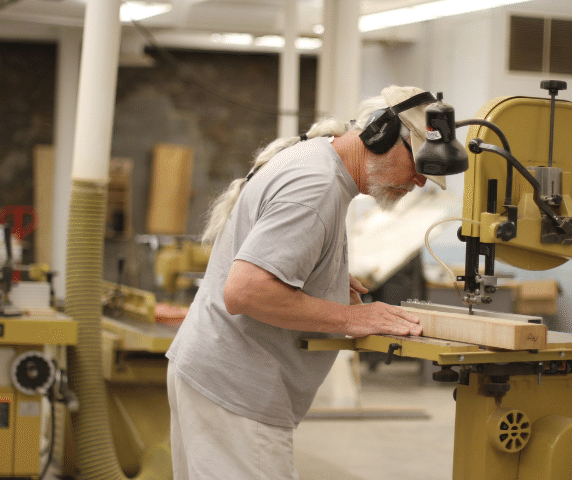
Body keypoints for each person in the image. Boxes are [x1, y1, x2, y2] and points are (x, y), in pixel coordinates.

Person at [166, 85, 447, 479]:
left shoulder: (315, 161)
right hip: (236, 390)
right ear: (381, 135)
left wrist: (320, 273)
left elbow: (261, 257)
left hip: (217, 379)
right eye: (417, 165)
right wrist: (353, 319)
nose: (418, 182)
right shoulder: (315, 187)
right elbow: (246, 291)